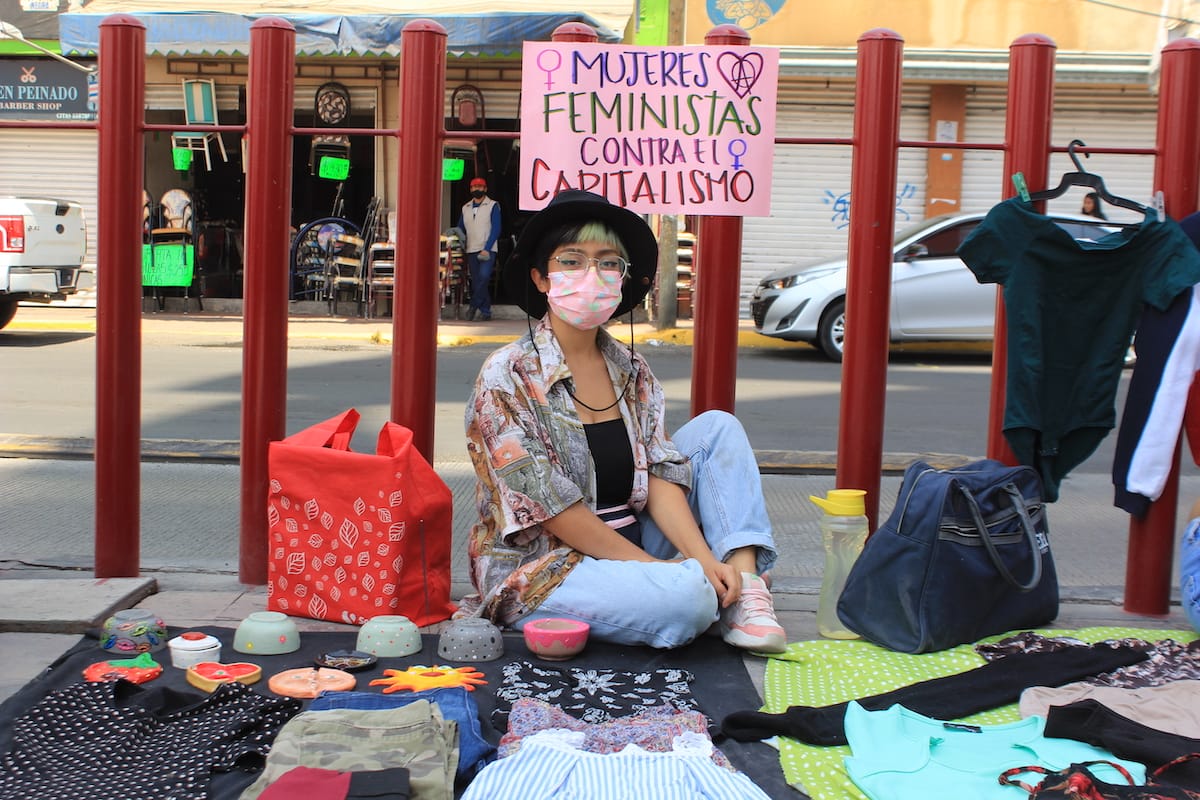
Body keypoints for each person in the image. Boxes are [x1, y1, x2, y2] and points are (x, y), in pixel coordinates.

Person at [460, 189, 786, 653]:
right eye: (572, 261)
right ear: (541, 278)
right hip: (547, 568)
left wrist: (697, 558)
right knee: (687, 595)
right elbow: (554, 511)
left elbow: (658, 473)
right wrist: (661, 572)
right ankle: (709, 594)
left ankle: (745, 587)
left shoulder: (632, 371)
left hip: (632, 544)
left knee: (717, 428)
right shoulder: (506, 375)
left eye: (608, 262)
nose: (592, 275)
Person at [458, 177, 502, 321]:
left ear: (485, 189)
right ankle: (485, 311)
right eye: (474, 187)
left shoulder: (493, 205)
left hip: (487, 249)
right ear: (470, 189)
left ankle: (473, 306)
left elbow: (496, 228)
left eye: (480, 186)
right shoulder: (465, 208)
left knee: (484, 277)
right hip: (471, 248)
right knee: (477, 281)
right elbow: (460, 228)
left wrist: (487, 248)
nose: (477, 189)